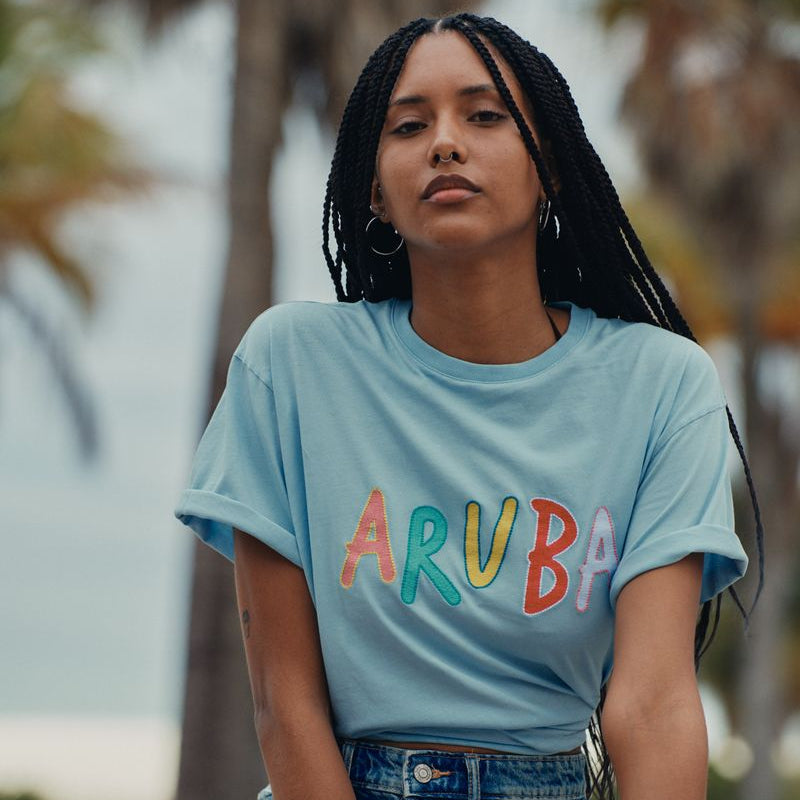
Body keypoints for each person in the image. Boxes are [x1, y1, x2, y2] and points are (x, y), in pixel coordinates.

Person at [174, 12, 764, 800]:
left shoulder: (662, 384)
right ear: (375, 188)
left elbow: (653, 705)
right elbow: (285, 705)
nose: (445, 143)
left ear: (548, 166)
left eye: (484, 116)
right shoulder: (291, 366)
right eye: (409, 125)